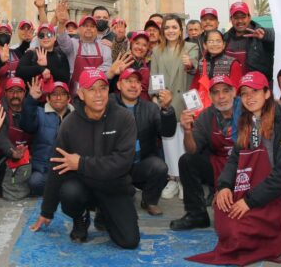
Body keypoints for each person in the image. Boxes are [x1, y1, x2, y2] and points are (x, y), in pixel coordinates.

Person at [188, 72, 281, 266]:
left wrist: (249, 202)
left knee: (237, 233)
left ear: (267, 93)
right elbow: (235, 158)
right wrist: (225, 185)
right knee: (222, 209)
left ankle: (280, 231)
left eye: (255, 91)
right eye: (245, 93)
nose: (249, 97)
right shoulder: (248, 119)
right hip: (259, 186)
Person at [30, 69, 140, 249]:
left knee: (129, 241)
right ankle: (80, 217)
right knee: (69, 192)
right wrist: (47, 211)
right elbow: (56, 167)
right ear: (81, 94)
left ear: (108, 90)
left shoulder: (124, 118)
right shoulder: (69, 124)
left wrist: (81, 163)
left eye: (102, 88)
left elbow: (123, 163)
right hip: (83, 187)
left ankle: (105, 213)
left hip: (114, 186)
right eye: (91, 89)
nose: (98, 94)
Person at [170, 75, 240, 231]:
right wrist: (187, 131)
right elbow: (192, 149)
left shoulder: (247, 110)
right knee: (187, 160)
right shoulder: (206, 116)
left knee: (231, 226)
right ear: (210, 96)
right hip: (219, 167)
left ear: (234, 92)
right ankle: (197, 214)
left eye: (225, 91)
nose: (221, 96)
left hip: (244, 168)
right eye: (216, 92)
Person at [114, 68, 177, 216]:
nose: (133, 85)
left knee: (159, 167)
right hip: (115, 164)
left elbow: (167, 132)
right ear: (119, 85)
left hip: (140, 163)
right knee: (123, 201)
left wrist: (166, 109)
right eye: (128, 81)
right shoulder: (108, 104)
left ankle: (150, 201)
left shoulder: (151, 108)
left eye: (137, 82)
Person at [151, 14, 199, 200]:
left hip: (185, 102)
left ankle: (185, 181)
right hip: (166, 103)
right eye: (167, 28)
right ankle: (173, 179)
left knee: (185, 142)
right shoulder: (157, 51)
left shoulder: (191, 47)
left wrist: (190, 64)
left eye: (174, 27)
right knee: (169, 143)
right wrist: (158, 100)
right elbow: (155, 77)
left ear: (181, 30)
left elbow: (195, 68)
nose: (170, 31)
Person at [20, 79, 74, 196]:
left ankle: (62, 191)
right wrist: (31, 100)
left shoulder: (76, 116)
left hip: (69, 169)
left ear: (69, 98)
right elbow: (27, 125)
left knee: (77, 186)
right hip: (44, 169)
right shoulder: (39, 113)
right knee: (35, 182)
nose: (58, 97)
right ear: (48, 99)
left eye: (62, 94)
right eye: (54, 94)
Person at [0, 77, 33, 197]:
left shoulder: (31, 109)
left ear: (25, 93)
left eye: (19, 91)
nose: (15, 95)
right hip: (3, 157)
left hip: (28, 156)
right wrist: (13, 152)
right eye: (11, 91)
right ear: (5, 93)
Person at [55, 0, 112, 95]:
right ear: (79, 29)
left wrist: (89, 80)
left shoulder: (104, 46)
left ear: (96, 30)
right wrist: (61, 24)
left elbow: (106, 68)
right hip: (75, 93)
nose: (89, 28)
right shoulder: (72, 43)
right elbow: (62, 40)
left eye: (92, 26)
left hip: (97, 93)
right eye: (85, 26)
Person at [223, 2, 275, 81]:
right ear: (231, 19)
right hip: (232, 86)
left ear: (249, 17)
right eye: (236, 18)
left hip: (256, 85)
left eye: (243, 17)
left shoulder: (260, 35)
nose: (240, 21)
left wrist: (265, 34)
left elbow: (278, 37)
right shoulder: (225, 38)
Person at [192, 30, 242, 107]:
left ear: (223, 45)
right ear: (205, 45)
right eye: (211, 41)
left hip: (225, 105)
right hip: (204, 107)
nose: (215, 44)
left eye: (218, 41)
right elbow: (194, 86)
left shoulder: (233, 63)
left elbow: (235, 89)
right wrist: (192, 106)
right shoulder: (202, 62)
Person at [16, 23, 70, 92]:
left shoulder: (61, 55)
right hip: (33, 96)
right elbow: (19, 72)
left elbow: (65, 79)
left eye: (49, 34)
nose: (45, 37)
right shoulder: (31, 53)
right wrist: (40, 68)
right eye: (41, 35)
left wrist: (47, 66)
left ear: (55, 37)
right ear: (38, 39)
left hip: (55, 96)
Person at [108, 31, 151, 101]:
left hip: (144, 105)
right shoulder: (121, 61)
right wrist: (111, 73)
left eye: (144, 45)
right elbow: (109, 87)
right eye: (137, 43)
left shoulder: (150, 64)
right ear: (131, 44)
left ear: (147, 48)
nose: (140, 47)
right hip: (121, 105)